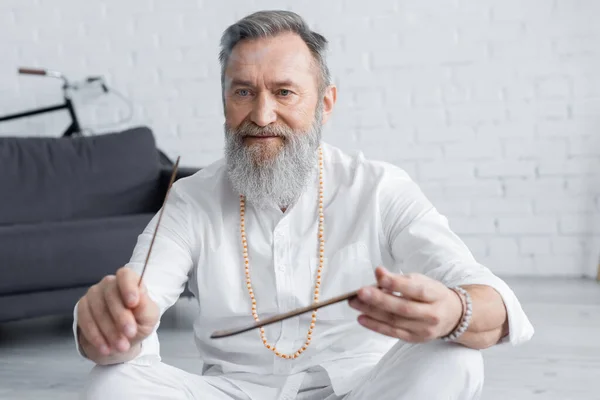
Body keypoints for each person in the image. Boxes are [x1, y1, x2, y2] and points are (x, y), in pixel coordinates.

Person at [73, 10, 534, 400]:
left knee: (456, 359)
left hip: (363, 388)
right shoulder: (191, 198)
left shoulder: (379, 188)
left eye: (284, 92)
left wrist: (455, 311)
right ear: (225, 102)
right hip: (234, 392)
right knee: (110, 383)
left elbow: (494, 302)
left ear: (324, 104)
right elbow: (132, 312)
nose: (262, 115)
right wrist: (106, 325)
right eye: (243, 92)